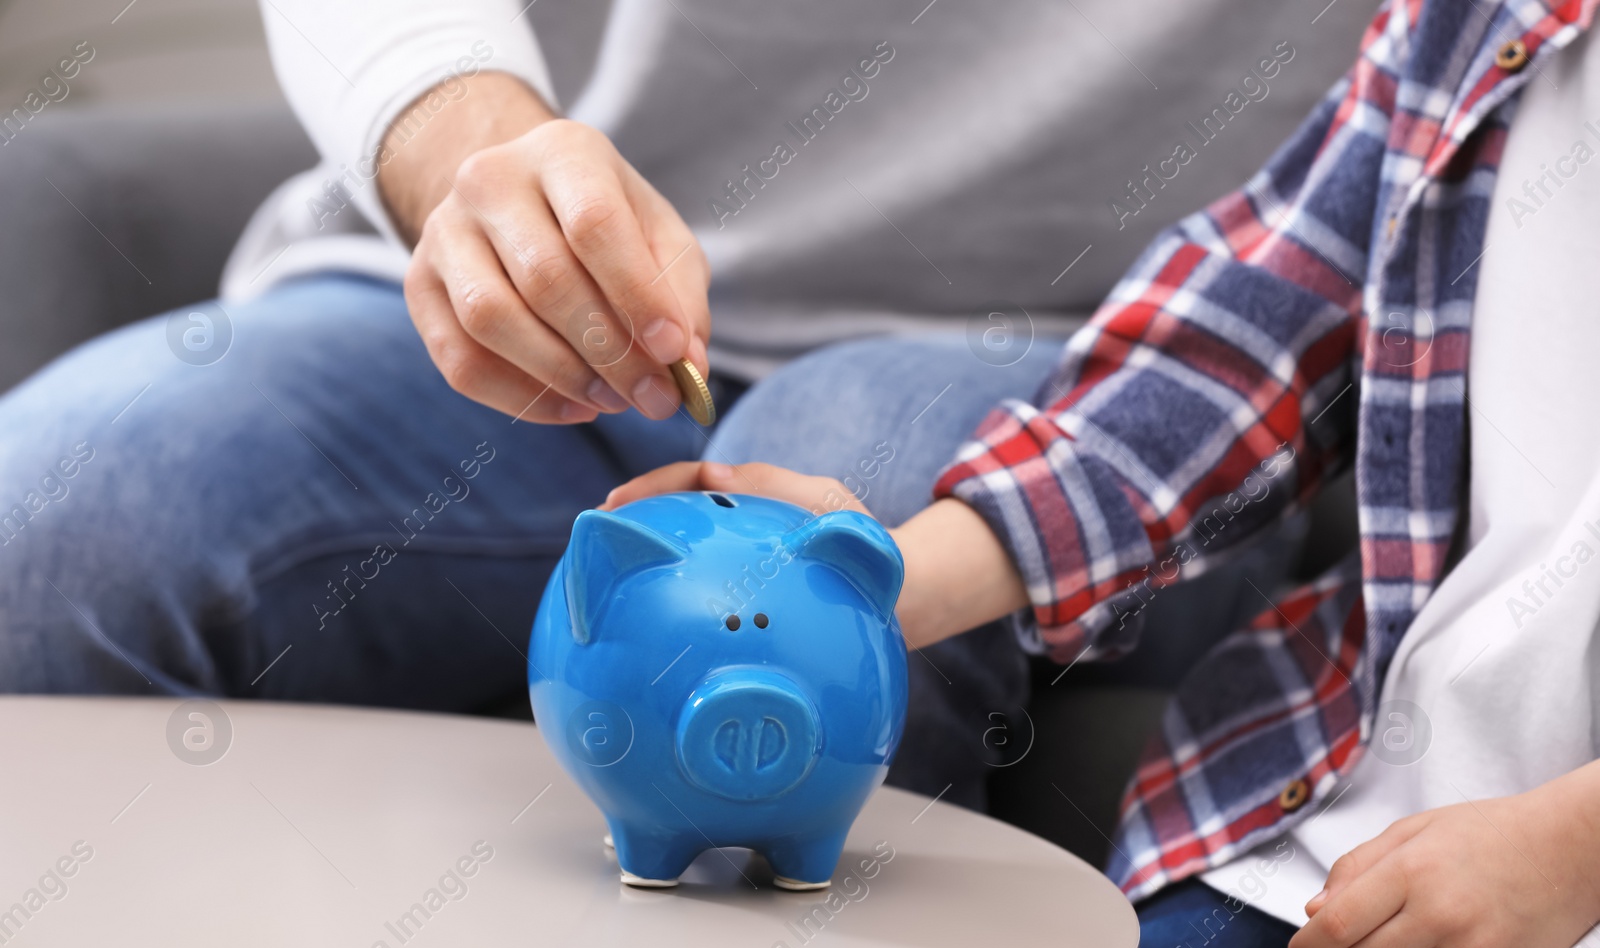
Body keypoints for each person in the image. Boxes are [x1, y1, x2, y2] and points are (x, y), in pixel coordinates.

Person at [0, 0, 1360, 810]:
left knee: (777, 601)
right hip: (505, 295)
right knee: (49, 539)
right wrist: (466, 143)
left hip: (1108, 359)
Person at [607, 0, 1600, 948]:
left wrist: (1567, 848)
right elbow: (1246, 346)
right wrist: (880, 577)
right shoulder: (1477, 25)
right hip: (1366, 834)